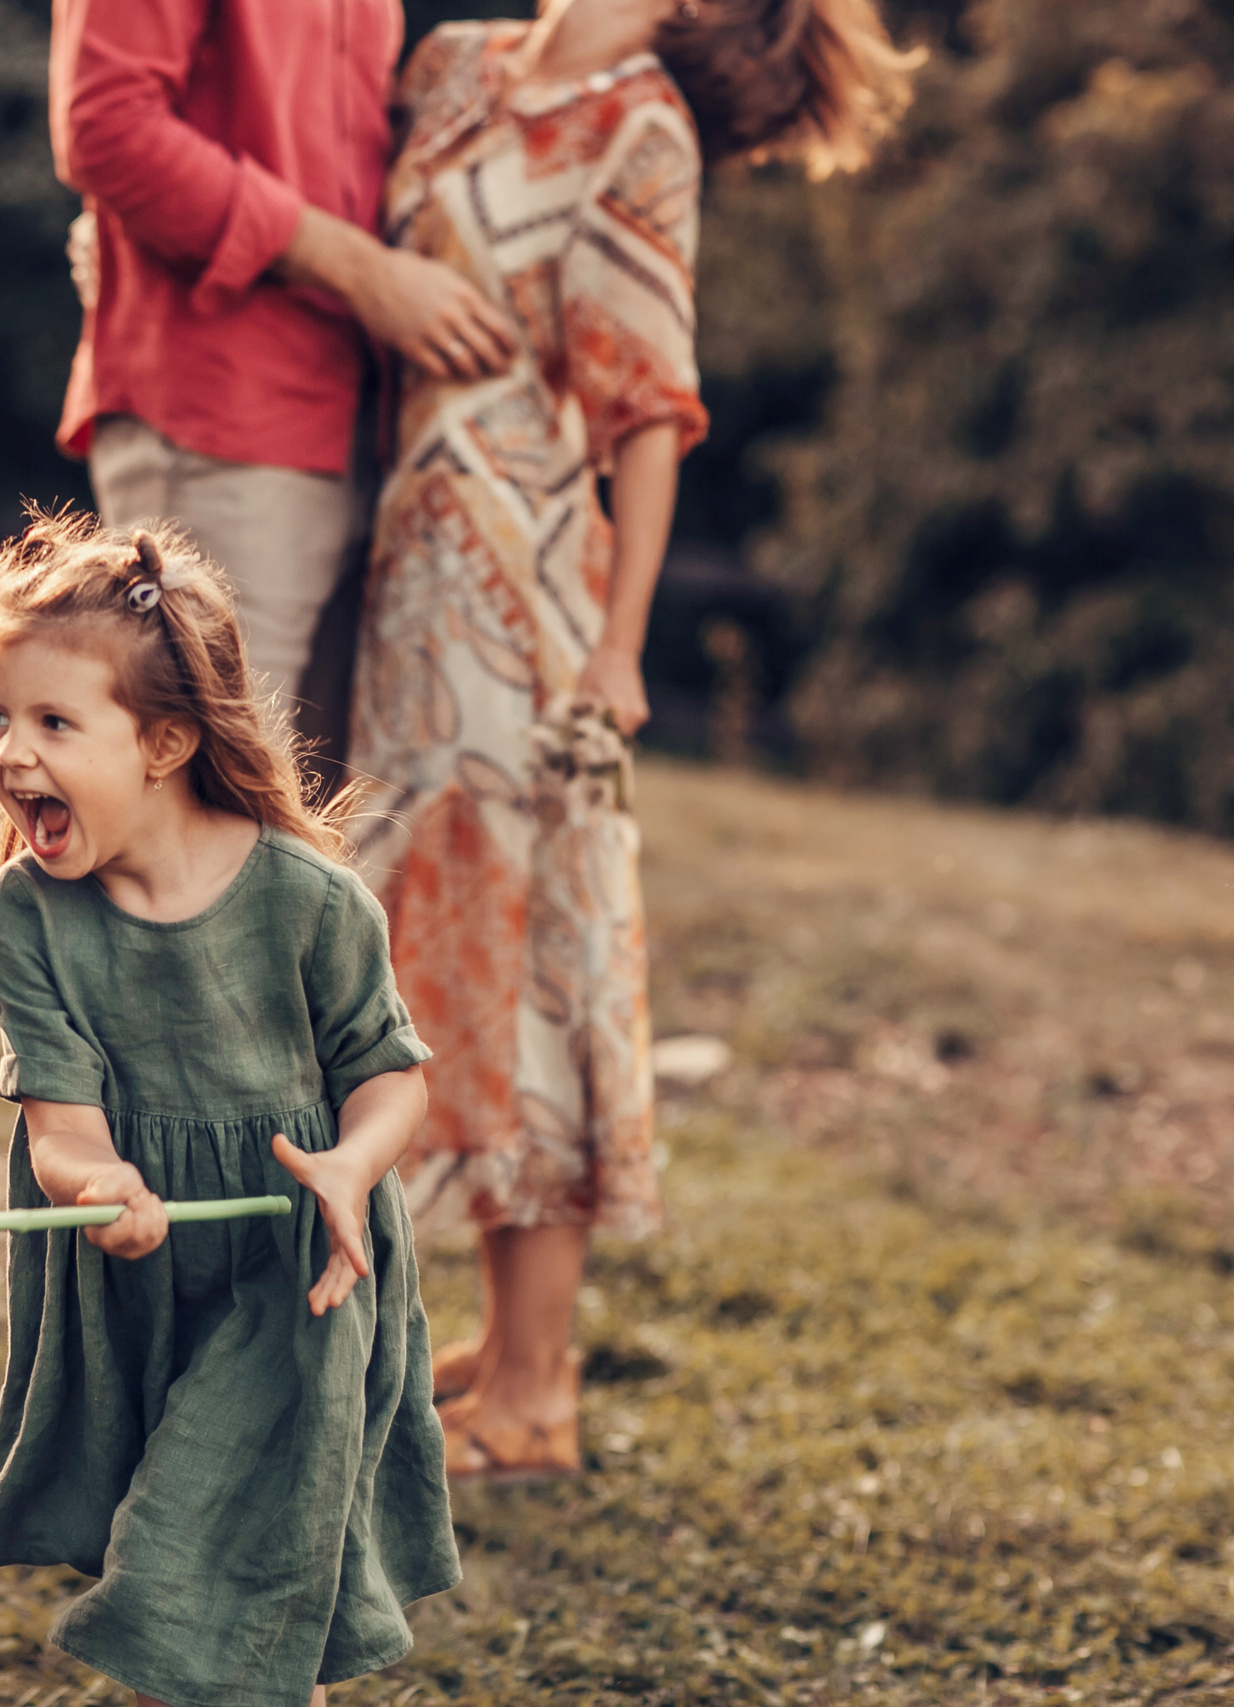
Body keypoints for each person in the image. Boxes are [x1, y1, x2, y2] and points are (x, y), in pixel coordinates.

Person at [349, 0, 920, 1479]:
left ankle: (537, 1389)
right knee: (444, 952)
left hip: (532, 579)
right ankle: (504, 1341)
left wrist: (618, 646)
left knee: (541, 956)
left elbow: (651, 405)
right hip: (414, 566)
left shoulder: (639, 125)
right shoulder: (455, 67)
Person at [0, 510, 457, 1707]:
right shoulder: (26, 916)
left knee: (218, 1544)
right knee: (183, 1540)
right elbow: (60, 1128)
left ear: (164, 742)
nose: (11, 753)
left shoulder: (310, 903)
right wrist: (99, 1184)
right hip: (138, 1283)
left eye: (53, 723)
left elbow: (391, 1075)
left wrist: (350, 1166)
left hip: (296, 1267)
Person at [48, 0, 523, 735]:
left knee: (309, 800)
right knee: (203, 782)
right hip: (224, 412)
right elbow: (106, 129)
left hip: (369, 424)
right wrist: (365, 272)